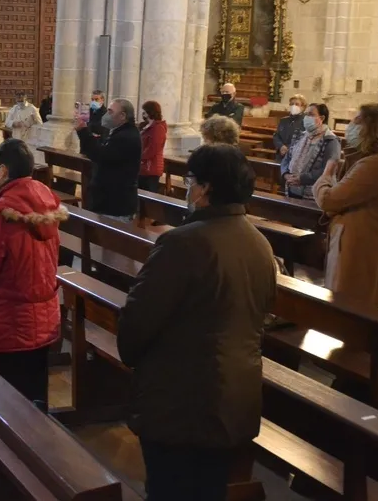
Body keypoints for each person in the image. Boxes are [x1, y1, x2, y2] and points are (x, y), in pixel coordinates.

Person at [118, 144, 276, 501]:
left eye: (190, 180)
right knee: (209, 489)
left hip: (181, 402)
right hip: (233, 397)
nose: (187, 188)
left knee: (170, 489)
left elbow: (138, 323)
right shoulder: (259, 243)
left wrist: (131, 353)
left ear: (204, 188)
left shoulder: (182, 243)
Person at [0, 139, 65, 411]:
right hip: (43, 312)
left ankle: (8, 450)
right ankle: (40, 447)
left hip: (10, 316)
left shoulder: (2, 214)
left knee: (8, 399)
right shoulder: (46, 202)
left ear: (4, 171)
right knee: (35, 391)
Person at [315, 103, 378, 310]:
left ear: (372, 128)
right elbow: (337, 201)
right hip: (353, 241)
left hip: (359, 247)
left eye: (357, 120)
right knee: (341, 306)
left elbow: (329, 200)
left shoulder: (376, 164)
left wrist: (326, 176)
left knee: (350, 310)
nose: (351, 125)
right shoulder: (369, 161)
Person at [76, 98, 142, 221]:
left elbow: (101, 156)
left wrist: (84, 132)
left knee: (112, 239)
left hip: (116, 203)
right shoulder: (119, 132)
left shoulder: (127, 136)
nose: (107, 115)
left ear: (122, 115)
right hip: (108, 201)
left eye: (110, 112)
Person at [280, 103, 341, 199]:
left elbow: (328, 170)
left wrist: (302, 179)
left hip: (315, 194)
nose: (306, 117)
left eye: (311, 114)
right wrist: (286, 174)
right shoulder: (300, 136)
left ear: (322, 118)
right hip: (292, 188)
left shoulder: (331, 140)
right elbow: (287, 158)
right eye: (306, 114)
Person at [138, 101, 167, 193]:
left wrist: (139, 157)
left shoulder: (158, 128)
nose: (143, 113)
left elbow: (153, 149)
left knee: (148, 197)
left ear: (151, 112)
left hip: (151, 168)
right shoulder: (145, 126)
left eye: (145, 111)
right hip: (142, 167)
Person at [273, 93, 306, 158]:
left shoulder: (306, 121)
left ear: (303, 107)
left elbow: (304, 139)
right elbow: (276, 136)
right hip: (281, 154)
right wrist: (281, 146)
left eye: (296, 104)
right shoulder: (283, 120)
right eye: (291, 104)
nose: (293, 106)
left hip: (296, 156)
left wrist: (288, 148)